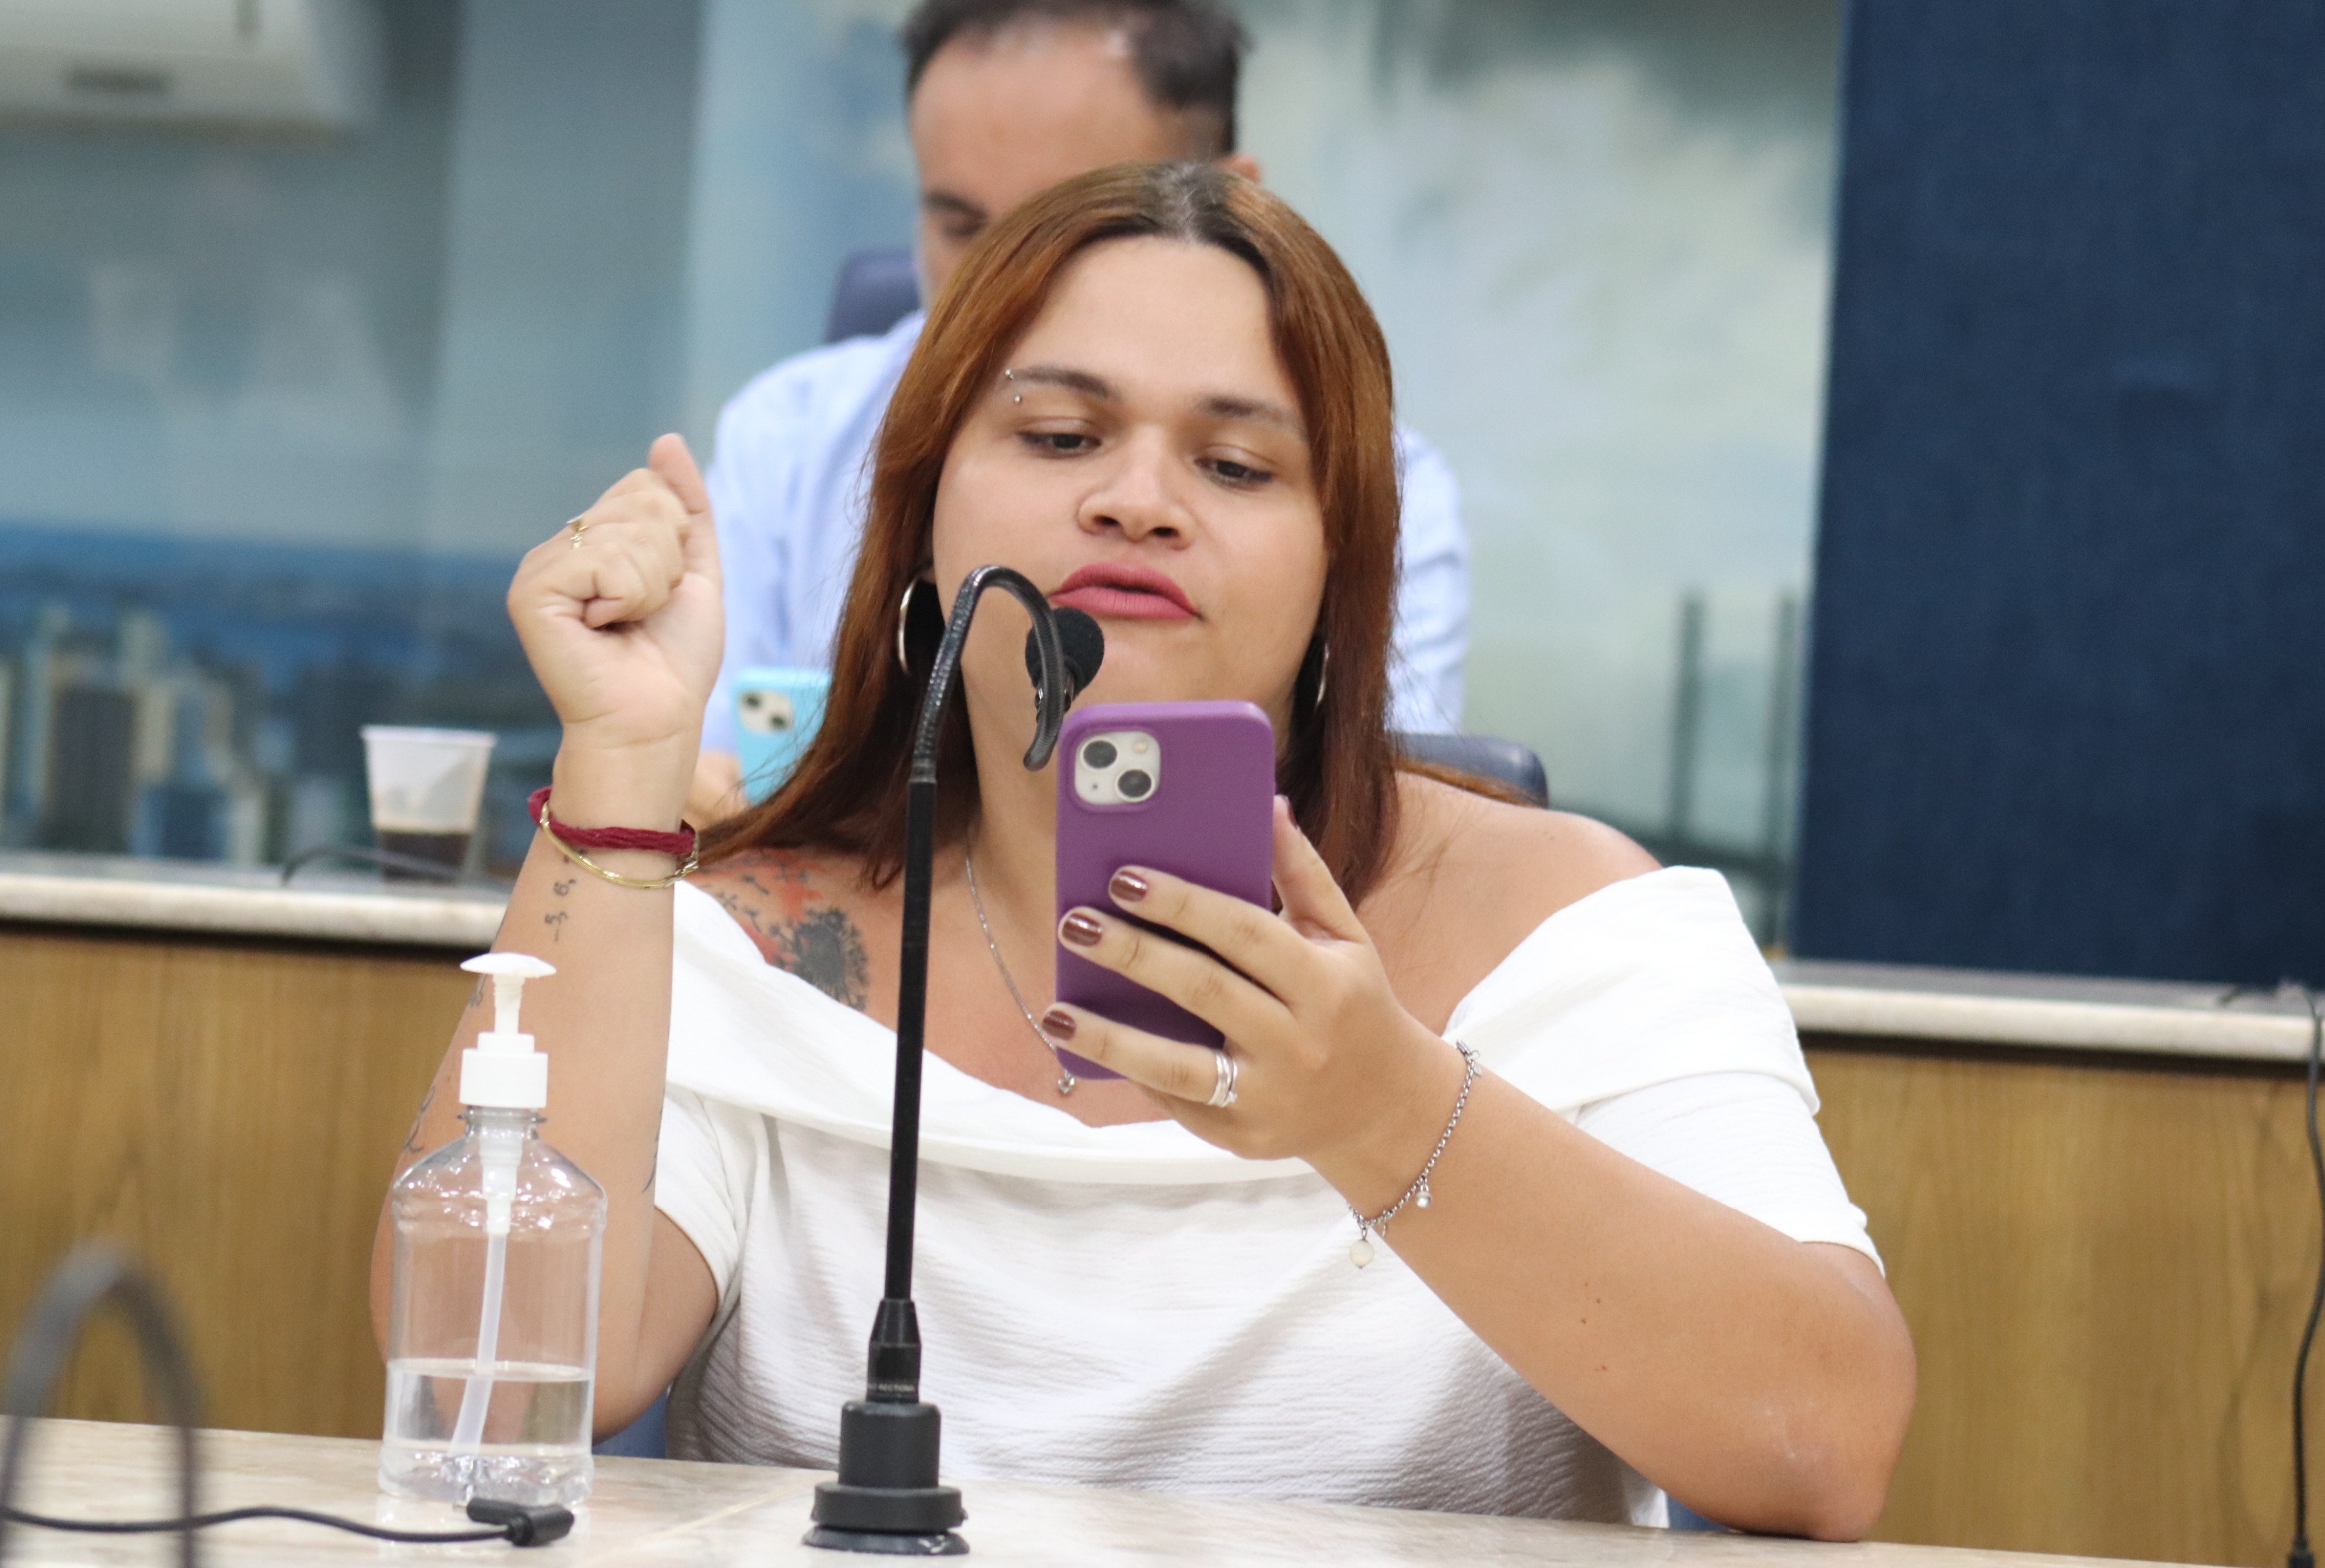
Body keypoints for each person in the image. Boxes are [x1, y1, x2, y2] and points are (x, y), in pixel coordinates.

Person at [378, 162, 1912, 1535]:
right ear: (922, 514)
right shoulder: (756, 943)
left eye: (1236, 466)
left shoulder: (1578, 923)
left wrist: (1384, 1108)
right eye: (1060, 435)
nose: (1136, 501)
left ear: (1341, 571)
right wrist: (623, 763)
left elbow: (1825, 1442)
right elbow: (489, 1394)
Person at [691, 0, 1470, 821]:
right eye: (962, 227)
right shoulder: (790, 434)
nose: (1001, 280)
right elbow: (710, 783)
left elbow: (1370, 815)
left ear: (1220, 204)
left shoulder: (1380, 481)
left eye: (1233, 468)